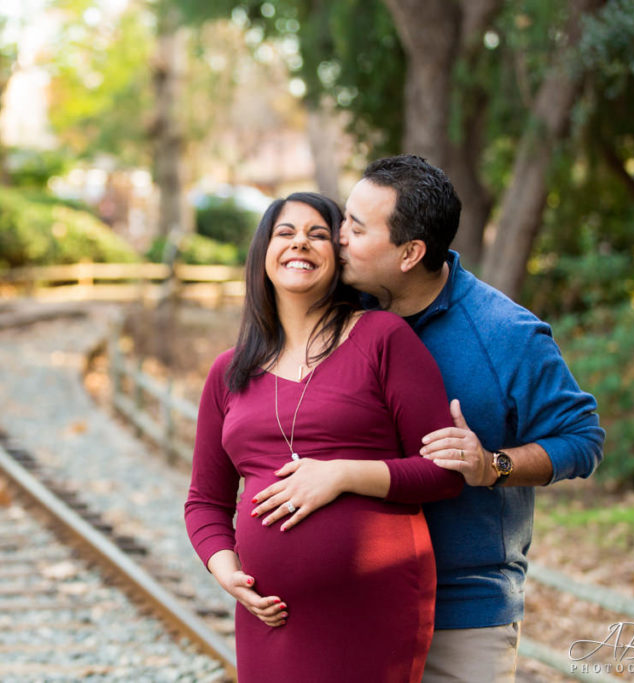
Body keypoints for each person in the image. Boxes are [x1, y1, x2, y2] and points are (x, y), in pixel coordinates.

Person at [251, 156, 605, 682]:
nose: (338, 237)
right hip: (354, 603)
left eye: (356, 228)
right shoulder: (341, 310)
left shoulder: (504, 334)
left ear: (410, 253)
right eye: (344, 219)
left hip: (461, 610)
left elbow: (583, 439)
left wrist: (493, 464)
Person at [184, 191, 464, 683]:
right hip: (270, 614)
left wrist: (341, 476)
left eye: (318, 235)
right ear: (263, 254)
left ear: (338, 257)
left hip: (373, 605)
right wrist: (225, 571)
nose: (301, 244)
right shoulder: (229, 372)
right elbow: (205, 500)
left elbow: (443, 473)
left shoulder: (383, 338)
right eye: (285, 233)